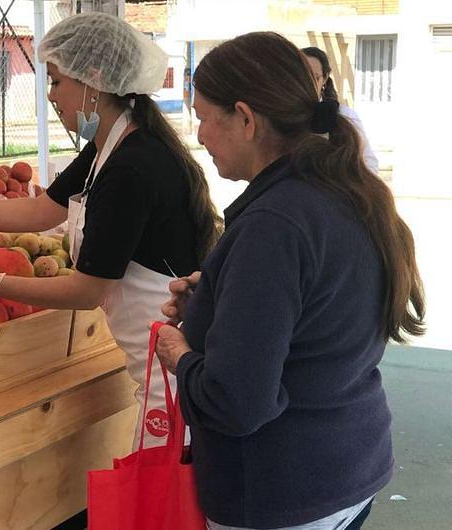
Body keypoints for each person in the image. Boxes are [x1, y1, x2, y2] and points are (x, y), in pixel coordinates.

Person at [155, 32, 425, 530]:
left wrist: (180, 355)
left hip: (282, 492)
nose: (198, 135)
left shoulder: (274, 224)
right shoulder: (340, 190)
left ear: (246, 118)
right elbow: (315, 315)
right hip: (345, 470)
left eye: (203, 118)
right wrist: (215, 299)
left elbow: (237, 402)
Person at [0, 12, 221, 448]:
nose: (51, 95)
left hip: (170, 372)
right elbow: (43, 210)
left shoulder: (132, 167)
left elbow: (86, 292)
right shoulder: (112, 147)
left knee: (158, 502)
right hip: (155, 359)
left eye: (57, 81)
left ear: (93, 81)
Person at [302, 46, 379, 174]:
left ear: (325, 79)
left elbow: (368, 162)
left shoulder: (344, 115)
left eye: (315, 78)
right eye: (303, 76)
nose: (308, 83)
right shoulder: (281, 116)